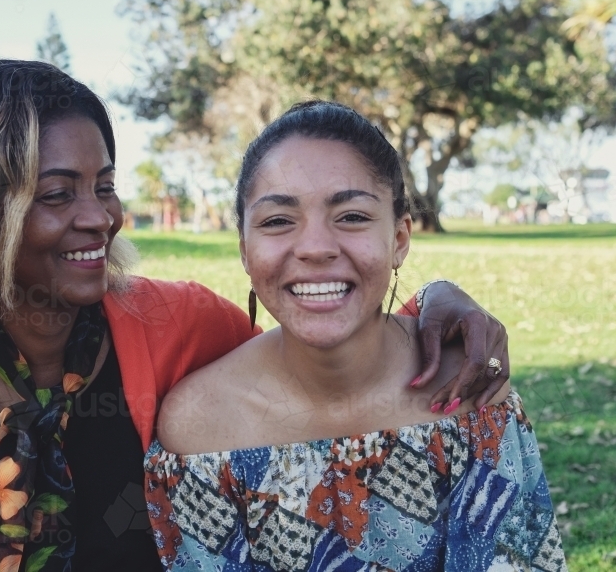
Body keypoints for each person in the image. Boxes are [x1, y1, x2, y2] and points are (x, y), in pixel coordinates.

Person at [0, 61, 510, 572]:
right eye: (59, 194)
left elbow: (322, 344)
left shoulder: (177, 327)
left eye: (105, 185)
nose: (101, 217)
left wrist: (436, 302)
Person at [146, 101, 565, 571]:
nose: (316, 248)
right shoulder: (202, 428)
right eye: (278, 221)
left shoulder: (469, 392)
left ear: (400, 239)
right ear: (245, 250)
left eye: (351, 216)